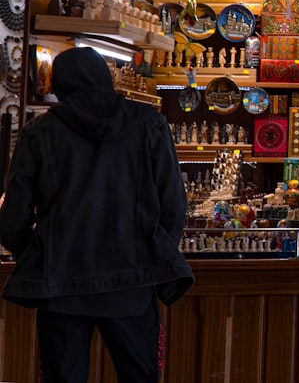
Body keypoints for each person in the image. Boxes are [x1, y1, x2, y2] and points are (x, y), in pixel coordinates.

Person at [0, 47, 194, 382]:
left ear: (59, 84)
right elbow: (173, 205)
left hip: (60, 285)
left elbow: (12, 218)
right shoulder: (149, 123)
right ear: (104, 78)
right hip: (132, 281)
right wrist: (153, 249)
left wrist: (39, 252)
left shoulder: (40, 132)